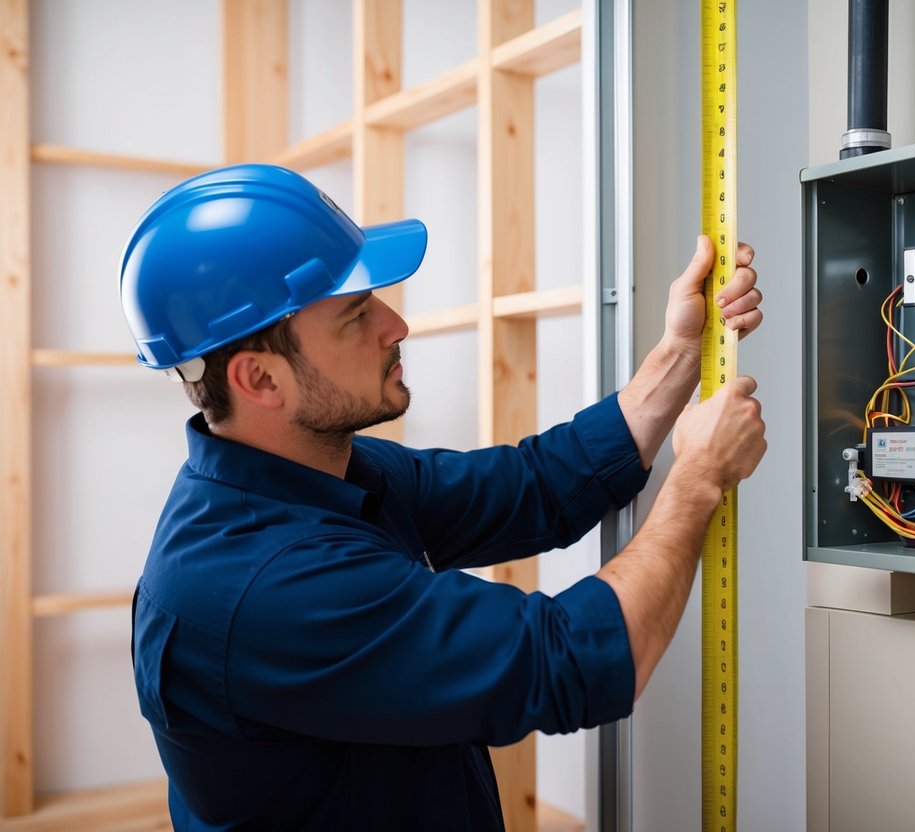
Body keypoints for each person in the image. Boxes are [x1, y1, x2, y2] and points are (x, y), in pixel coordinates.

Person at [122, 163, 766, 830]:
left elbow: (532, 485)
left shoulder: (326, 473)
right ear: (261, 378)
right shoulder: (266, 585)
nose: (395, 324)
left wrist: (679, 353)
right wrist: (696, 482)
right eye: (354, 315)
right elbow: (570, 660)